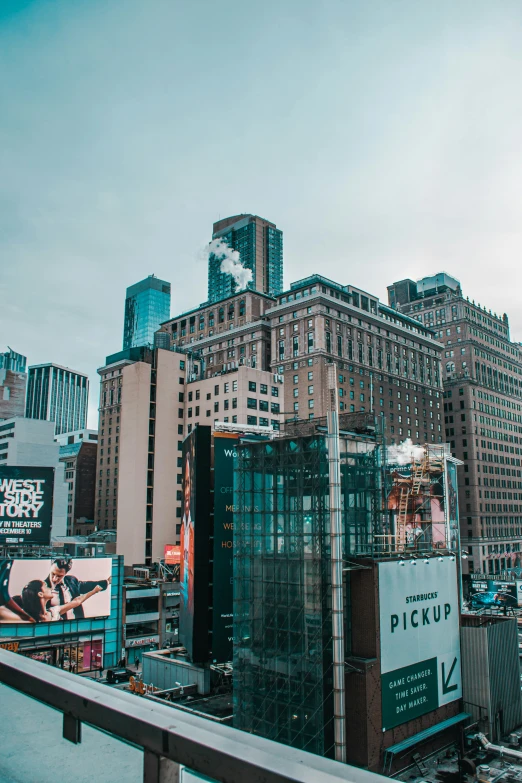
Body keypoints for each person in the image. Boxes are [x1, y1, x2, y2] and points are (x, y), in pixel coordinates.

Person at [44, 558, 111, 620]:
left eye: (59, 576)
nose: (54, 579)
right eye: (53, 574)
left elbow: (87, 586)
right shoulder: (42, 588)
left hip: (75, 625)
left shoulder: (71, 581)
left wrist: (107, 582)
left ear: (65, 574)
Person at [21, 580, 103, 623]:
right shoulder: (28, 618)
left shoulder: (53, 611)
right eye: (46, 587)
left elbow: (76, 601)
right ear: (40, 594)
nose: (50, 588)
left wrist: (93, 591)